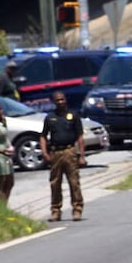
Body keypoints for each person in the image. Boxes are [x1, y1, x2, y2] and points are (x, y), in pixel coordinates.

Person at [40, 91, 86, 222]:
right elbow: (43, 136)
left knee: (74, 182)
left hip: (70, 151)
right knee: (55, 183)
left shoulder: (73, 116)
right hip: (55, 153)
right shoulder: (50, 118)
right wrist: (44, 153)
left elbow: (80, 137)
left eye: (62, 99)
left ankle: (77, 209)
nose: (60, 102)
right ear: (54, 102)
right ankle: (55, 211)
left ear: (65, 100)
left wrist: (82, 155)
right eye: (57, 100)